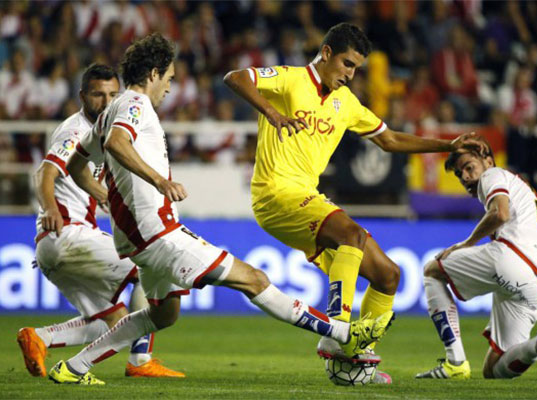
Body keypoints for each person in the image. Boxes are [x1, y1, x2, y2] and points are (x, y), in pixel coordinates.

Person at [48, 33, 393, 386]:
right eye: (169, 78)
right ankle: (340, 332)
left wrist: (104, 194)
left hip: (135, 238)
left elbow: (76, 164)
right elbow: (116, 143)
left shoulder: (109, 111)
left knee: (163, 315)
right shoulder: (135, 104)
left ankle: (73, 367)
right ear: (153, 74)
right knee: (254, 280)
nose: (169, 86)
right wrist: (159, 181)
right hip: (158, 234)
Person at [224, 22, 481, 383]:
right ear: (326, 53)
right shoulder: (290, 79)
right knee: (352, 235)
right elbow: (236, 77)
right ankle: (336, 332)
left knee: (389, 276)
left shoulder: (346, 103)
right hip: (274, 193)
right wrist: (272, 112)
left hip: (306, 198)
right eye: (347, 64)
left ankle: (355, 361)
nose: (350, 74)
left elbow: (390, 140)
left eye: (356, 68)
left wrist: (448, 145)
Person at [17, 64, 183, 379]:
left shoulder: (103, 130)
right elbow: (44, 173)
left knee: (114, 323)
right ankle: (141, 360)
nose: (106, 102)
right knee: (152, 264)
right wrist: (50, 209)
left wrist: (102, 194)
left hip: (54, 246)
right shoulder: (75, 130)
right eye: (97, 95)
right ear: (82, 96)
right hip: (68, 234)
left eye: (112, 95)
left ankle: (39, 337)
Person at [415, 138, 537, 380]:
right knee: (494, 369)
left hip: (511, 259)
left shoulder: (494, 174)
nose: (465, 177)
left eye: (469, 167)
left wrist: (466, 243)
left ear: (488, 161)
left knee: (431, 271)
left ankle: (455, 363)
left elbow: (500, 213)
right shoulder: (536, 208)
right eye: (459, 174)